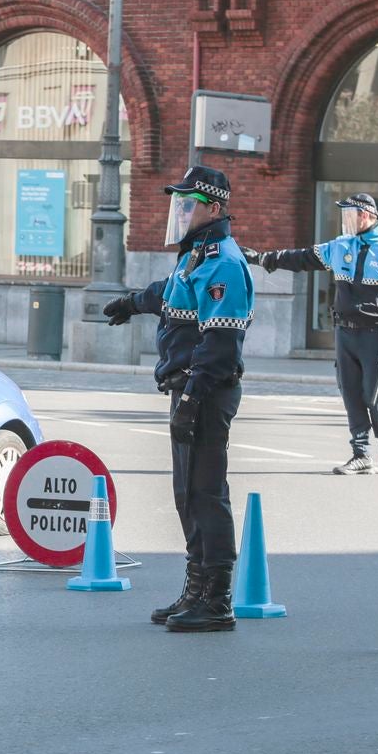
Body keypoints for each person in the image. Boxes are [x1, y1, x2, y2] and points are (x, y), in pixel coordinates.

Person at [101, 166, 254, 632]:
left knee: (207, 494)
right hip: (187, 388)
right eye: (178, 203)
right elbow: (169, 295)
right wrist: (132, 302)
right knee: (187, 494)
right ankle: (195, 587)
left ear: (213, 207)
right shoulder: (195, 256)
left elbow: (220, 345)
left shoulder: (223, 262)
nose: (180, 211)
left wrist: (191, 397)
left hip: (205, 390)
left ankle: (217, 599)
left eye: (188, 203)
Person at [242, 194, 378, 475]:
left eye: (351, 215)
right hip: (345, 333)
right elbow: (303, 258)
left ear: (367, 216)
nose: (346, 221)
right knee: (351, 393)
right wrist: (263, 258)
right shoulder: (341, 246)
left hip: (376, 335)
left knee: (375, 397)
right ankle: (361, 454)